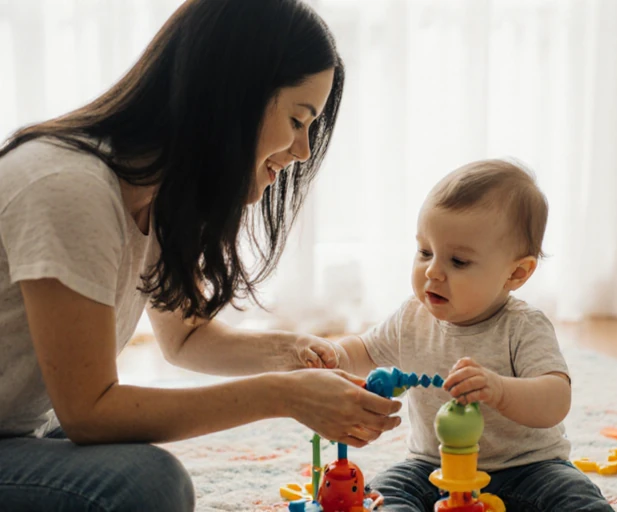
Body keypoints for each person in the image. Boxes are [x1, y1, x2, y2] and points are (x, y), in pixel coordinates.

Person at [0, 1, 401, 511]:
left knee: (126, 457)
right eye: (299, 120)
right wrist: (285, 395)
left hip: (19, 428)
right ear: (234, 96)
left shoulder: (151, 191)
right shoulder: (70, 188)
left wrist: (291, 354)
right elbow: (89, 411)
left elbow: (184, 338)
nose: (302, 150)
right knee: (145, 482)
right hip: (22, 431)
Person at [332, 159, 614, 511]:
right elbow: (364, 350)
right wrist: (333, 357)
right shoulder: (411, 317)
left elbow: (555, 399)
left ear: (515, 274)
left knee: (577, 498)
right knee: (383, 494)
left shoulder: (523, 325)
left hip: (529, 469)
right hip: (432, 469)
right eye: (425, 252)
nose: (432, 271)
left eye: (458, 262)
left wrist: (499, 390)